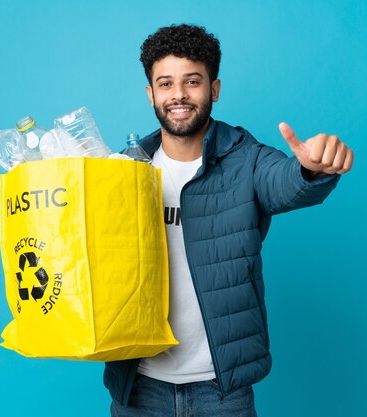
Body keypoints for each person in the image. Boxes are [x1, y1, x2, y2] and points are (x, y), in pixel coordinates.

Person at [105, 24, 354, 417]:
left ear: (214, 89)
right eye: (166, 84)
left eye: (192, 82)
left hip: (222, 392)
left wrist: (313, 170)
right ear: (151, 94)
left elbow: (284, 183)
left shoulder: (247, 158)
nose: (179, 95)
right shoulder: (123, 169)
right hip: (139, 387)